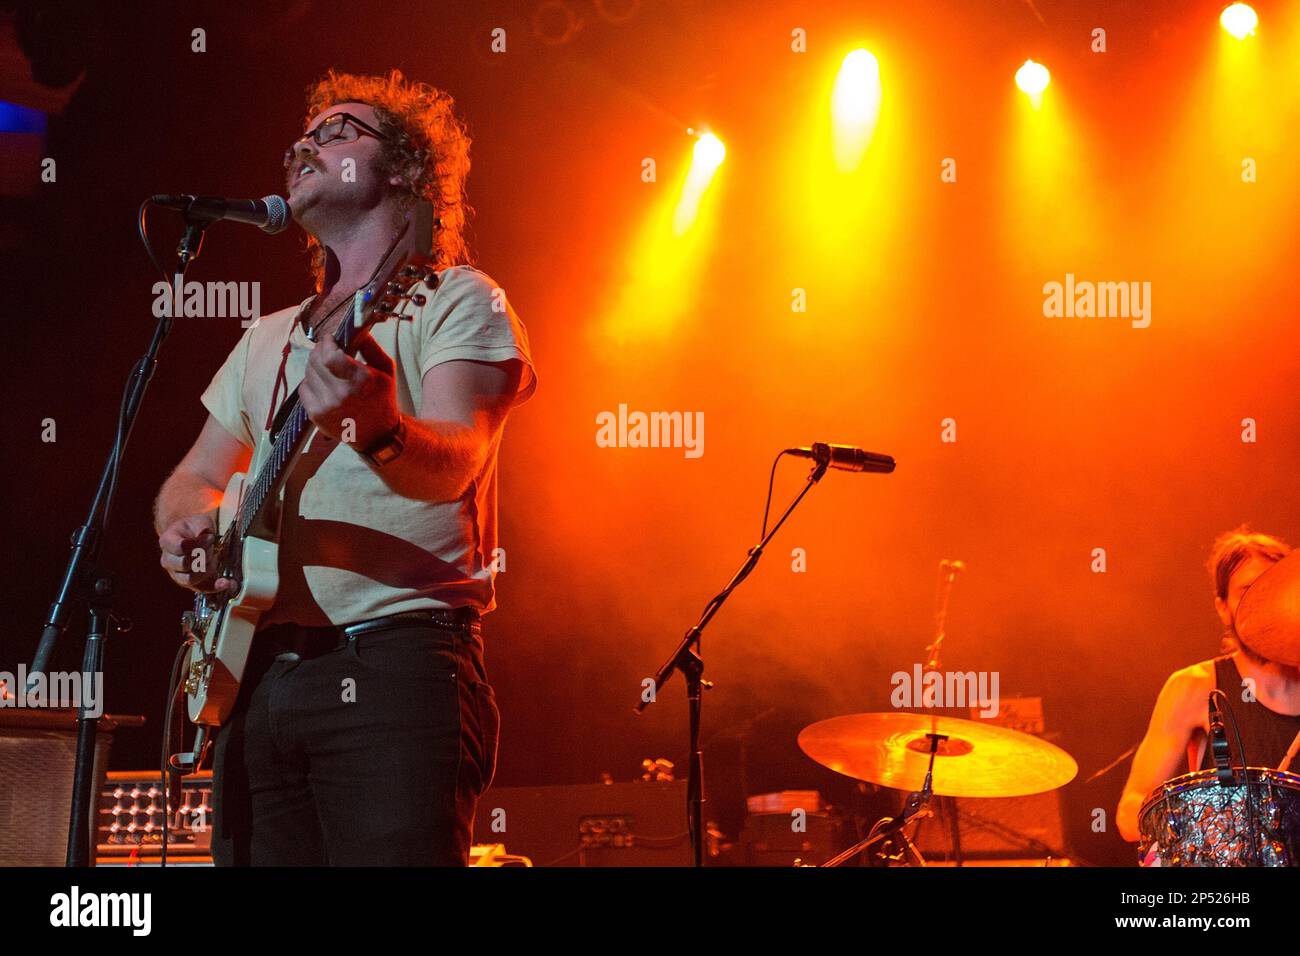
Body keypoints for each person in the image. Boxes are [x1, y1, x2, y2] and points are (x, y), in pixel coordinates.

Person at [153, 70, 536, 865]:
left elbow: (458, 462)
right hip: (259, 670)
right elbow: (192, 476)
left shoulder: (452, 299)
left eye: (337, 132)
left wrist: (380, 426)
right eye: (302, 138)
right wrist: (187, 529)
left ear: (402, 169)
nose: (305, 147)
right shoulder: (265, 336)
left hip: (396, 662)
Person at [1116, 527, 1300, 846]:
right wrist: (1203, 822)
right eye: (1248, 590)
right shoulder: (1196, 687)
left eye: (1272, 588)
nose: (1262, 603)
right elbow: (1132, 811)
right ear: (1222, 607)